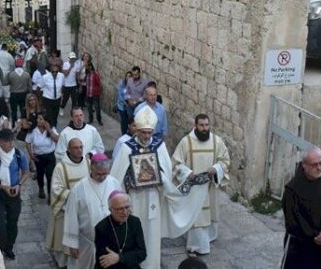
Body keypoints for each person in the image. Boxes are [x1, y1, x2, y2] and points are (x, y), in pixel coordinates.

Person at [109, 106, 207, 269]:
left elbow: (167, 174)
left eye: (150, 132)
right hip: (135, 199)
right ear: (137, 130)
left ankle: (151, 265)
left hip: (154, 198)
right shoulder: (127, 147)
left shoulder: (159, 146)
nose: (147, 136)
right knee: (134, 233)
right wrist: (130, 180)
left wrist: (159, 177)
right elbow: (116, 179)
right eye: (143, 132)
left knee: (152, 236)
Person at [171, 114, 230, 256]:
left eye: (207, 125)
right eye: (201, 125)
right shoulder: (186, 142)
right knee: (197, 216)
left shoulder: (217, 141)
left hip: (209, 186)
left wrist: (216, 168)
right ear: (195, 125)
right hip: (194, 187)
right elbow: (176, 164)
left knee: (208, 214)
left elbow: (225, 161)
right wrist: (187, 173)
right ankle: (196, 246)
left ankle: (207, 238)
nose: (204, 128)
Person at [282, 146, 321, 269]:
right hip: (300, 247)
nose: (319, 167)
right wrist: (314, 234)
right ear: (304, 165)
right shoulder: (292, 189)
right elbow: (292, 219)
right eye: (314, 165)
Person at [63, 153, 121, 269]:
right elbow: (71, 217)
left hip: (112, 242)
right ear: (91, 169)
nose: (102, 177)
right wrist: (72, 243)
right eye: (98, 174)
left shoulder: (114, 183)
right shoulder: (79, 188)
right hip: (87, 243)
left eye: (105, 173)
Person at [0, 129, 29, 260]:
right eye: (7, 141)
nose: (11, 144)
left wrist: (19, 185)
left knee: (12, 223)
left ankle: (9, 247)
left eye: (12, 141)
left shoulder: (19, 155)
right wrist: (3, 187)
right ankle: (1, 247)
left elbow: (25, 171)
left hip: (14, 193)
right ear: (0, 142)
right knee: (0, 223)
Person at [46, 138, 91, 268]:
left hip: (84, 210)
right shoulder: (61, 167)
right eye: (76, 148)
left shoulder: (88, 163)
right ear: (69, 150)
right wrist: (75, 196)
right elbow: (56, 189)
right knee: (64, 241)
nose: (79, 150)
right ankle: (63, 264)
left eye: (81, 147)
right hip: (66, 210)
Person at [94, 191, 147, 269]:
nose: (125, 212)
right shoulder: (101, 228)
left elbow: (142, 253)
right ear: (110, 210)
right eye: (119, 209)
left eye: (127, 207)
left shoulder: (135, 222)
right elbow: (103, 262)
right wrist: (129, 257)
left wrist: (119, 258)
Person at [26, 113, 59, 200]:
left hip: (50, 156)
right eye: (38, 119)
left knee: (50, 175)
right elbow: (28, 142)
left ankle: (49, 194)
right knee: (40, 174)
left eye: (41, 119)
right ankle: (41, 188)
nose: (38, 121)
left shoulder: (51, 129)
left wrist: (48, 129)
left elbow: (57, 139)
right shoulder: (33, 130)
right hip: (39, 156)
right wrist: (31, 154)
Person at [6, 57, 31, 126]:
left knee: (14, 111)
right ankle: (23, 124)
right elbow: (29, 86)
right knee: (23, 110)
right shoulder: (27, 74)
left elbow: (7, 82)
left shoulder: (11, 74)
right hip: (23, 94)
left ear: (15, 65)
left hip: (14, 94)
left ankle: (14, 124)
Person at [40, 63, 65, 128]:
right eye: (53, 72)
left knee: (55, 116)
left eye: (56, 72)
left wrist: (61, 94)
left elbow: (63, 86)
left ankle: (54, 129)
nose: (54, 73)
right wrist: (40, 101)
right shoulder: (45, 77)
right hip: (47, 99)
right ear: (50, 71)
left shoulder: (61, 76)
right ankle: (49, 130)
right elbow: (38, 88)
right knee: (49, 116)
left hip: (57, 99)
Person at [85, 62, 103, 126]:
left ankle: (99, 120)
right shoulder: (86, 74)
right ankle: (90, 119)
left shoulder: (95, 73)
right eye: (87, 66)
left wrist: (100, 91)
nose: (88, 67)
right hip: (88, 93)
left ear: (91, 66)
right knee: (89, 107)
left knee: (97, 107)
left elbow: (99, 83)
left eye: (89, 66)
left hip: (95, 94)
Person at [115, 71, 133, 136]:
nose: (129, 78)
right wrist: (124, 102)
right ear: (125, 77)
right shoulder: (121, 84)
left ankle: (128, 134)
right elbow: (120, 94)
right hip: (122, 106)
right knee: (123, 121)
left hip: (129, 106)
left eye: (130, 76)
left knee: (128, 121)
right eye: (128, 76)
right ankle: (123, 134)